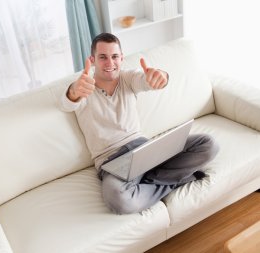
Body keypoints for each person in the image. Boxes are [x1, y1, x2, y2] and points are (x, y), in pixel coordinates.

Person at [60, 33, 219, 214]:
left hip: (144, 149)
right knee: (119, 201)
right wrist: (74, 90)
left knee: (208, 144)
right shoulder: (83, 87)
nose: (110, 63)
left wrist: (161, 76)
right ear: (92, 60)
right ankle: (178, 179)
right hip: (112, 162)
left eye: (114, 57)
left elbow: (147, 80)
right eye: (102, 57)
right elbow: (67, 102)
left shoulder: (128, 78)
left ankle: (147, 183)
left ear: (121, 58)